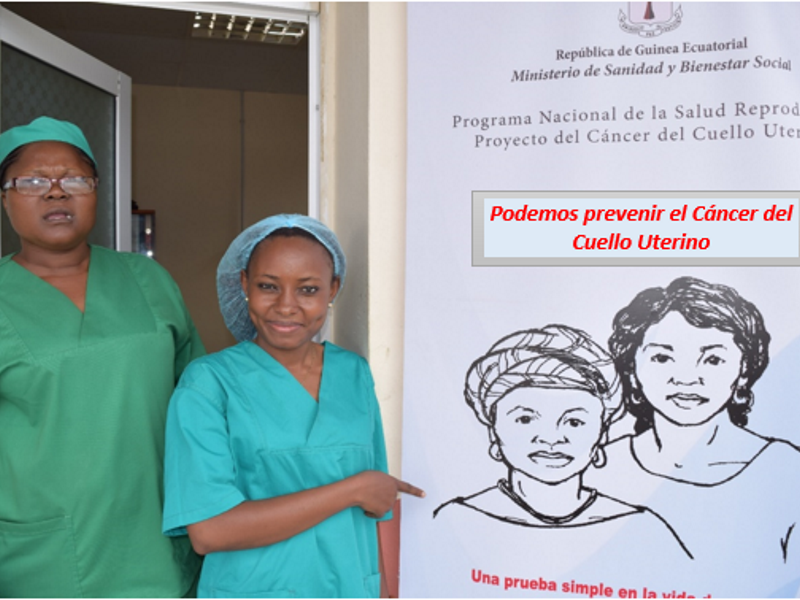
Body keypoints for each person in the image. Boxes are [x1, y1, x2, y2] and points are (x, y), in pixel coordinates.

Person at [162, 214, 424, 598]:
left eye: (307, 289)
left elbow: (377, 507)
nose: (287, 306)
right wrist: (350, 490)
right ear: (244, 285)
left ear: (332, 290)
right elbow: (209, 530)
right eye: (269, 286)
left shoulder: (353, 373)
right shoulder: (208, 383)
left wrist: (385, 591)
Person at [0, 116, 204, 597]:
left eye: (75, 179)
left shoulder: (149, 279)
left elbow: (199, 403)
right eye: (31, 181)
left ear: (96, 191)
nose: (55, 193)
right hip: (43, 555)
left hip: (157, 542)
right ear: (4, 196)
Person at [426, 326, 691, 595]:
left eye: (575, 421)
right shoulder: (457, 519)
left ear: (601, 433)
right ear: (493, 430)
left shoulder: (641, 528)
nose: (551, 438)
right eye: (525, 419)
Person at [587, 276, 800, 596]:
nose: (687, 378)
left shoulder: (786, 469)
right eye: (662, 357)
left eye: (713, 359)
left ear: (743, 370)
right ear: (632, 366)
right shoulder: (599, 466)